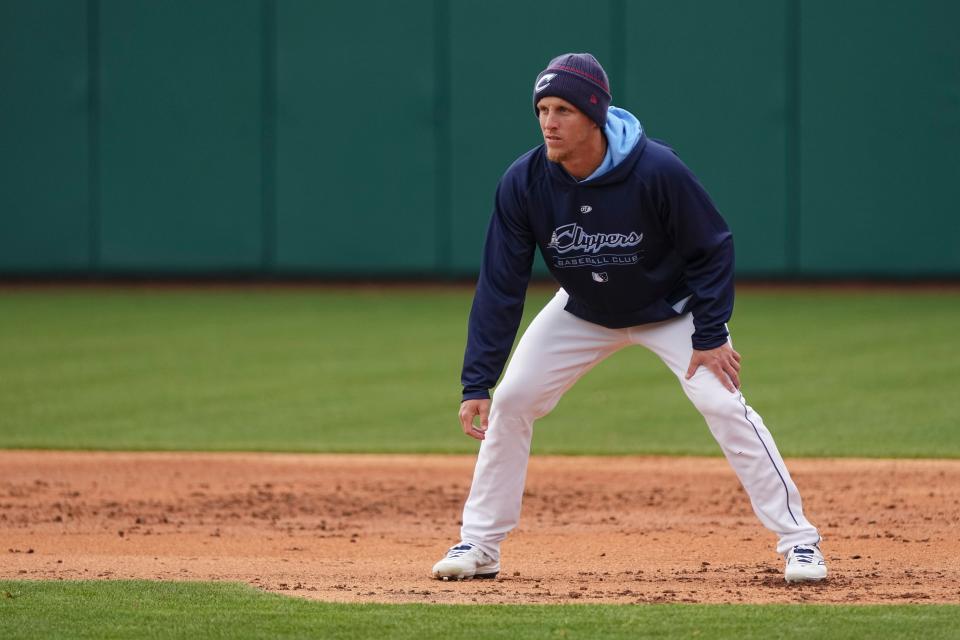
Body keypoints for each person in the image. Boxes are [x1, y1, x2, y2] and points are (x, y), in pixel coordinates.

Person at [431, 53, 827, 584]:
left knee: (723, 404)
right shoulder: (525, 181)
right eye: (543, 109)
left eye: (564, 110)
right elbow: (502, 283)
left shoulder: (656, 169)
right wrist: (477, 379)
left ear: (594, 114)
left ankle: (800, 543)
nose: (549, 121)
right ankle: (479, 545)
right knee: (512, 399)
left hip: (672, 310)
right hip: (586, 310)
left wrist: (710, 334)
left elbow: (713, 248)